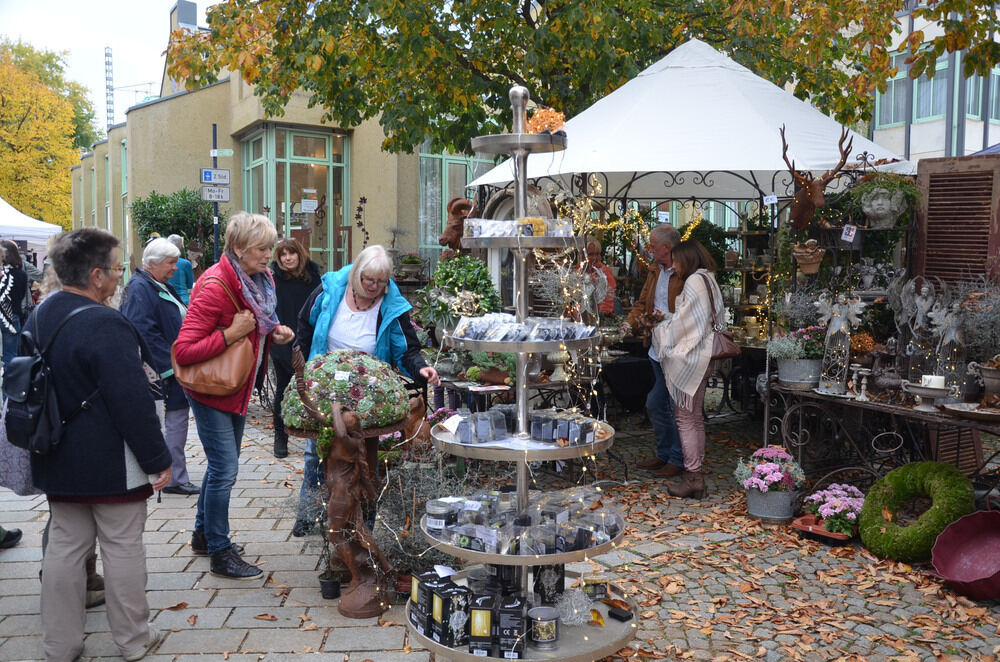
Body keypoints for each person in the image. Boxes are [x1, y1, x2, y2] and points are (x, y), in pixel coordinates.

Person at [31, 228, 172, 662]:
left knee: (64, 549)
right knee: (122, 547)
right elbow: (131, 403)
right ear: (95, 275)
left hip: (55, 453)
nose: (118, 278)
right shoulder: (106, 323)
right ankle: (133, 642)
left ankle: (61, 645)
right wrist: (158, 461)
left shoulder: (41, 314)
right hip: (112, 462)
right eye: (114, 269)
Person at [173, 212, 295, 580]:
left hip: (237, 386)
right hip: (213, 389)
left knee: (219, 466)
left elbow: (260, 319)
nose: (269, 254)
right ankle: (220, 552)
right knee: (225, 469)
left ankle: (202, 535)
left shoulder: (259, 278)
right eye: (262, 248)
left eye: (270, 247)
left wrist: (274, 330)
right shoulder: (214, 285)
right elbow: (183, 351)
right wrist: (232, 333)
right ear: (239, 249)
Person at [290, 244, 440, 537]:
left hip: (367, 394)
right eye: (369, 280)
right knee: (316, 453)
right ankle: (309, 512)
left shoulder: (391, 305)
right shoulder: (328, 291)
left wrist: (421, 368)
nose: (374, 287)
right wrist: (304, 368)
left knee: (363, 457)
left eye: (381, 282)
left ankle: (363, 522)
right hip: (326, 388)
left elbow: (407, 349)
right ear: (357, 274)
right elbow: (305, 326)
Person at [121, 238, 199, 496]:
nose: (176, 268)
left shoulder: (155, 284)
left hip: (172, 367)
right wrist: (170, 367)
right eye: (171, 263)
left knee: (177, 422)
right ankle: (174, 477)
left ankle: (174, 474)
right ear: (152, 264)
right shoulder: (141, 288)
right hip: (166, 371)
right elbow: (142, 331)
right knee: (175, 423)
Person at [652, 240, 724, 500]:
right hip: (705, 357)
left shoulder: (694, 281)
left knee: (685, 418)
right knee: (694, 418)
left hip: (693, 357)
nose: (674, 266)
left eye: (677, 260)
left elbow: (686, 324)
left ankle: (693, 476)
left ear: (687, 259)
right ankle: (696, 473)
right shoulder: (709, 279)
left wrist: (661, 330)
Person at [624, 224, 685, 477]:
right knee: (658, 403)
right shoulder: (654, 271)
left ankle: (677, 458)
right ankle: (665, 454)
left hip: (677, 349)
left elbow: (690, 312)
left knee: (669, 405)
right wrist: (629, 323)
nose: (649, 249)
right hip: (656, 348)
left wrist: (667, 317)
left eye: (652, 245)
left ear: (666, 248)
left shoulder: (685, 273)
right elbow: (642, 303)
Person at [270, 238, 321, 458]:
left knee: (311, 388)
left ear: (300, 254)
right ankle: (280, 438)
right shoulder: (273, 278)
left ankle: (315, 436)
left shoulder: (313, 276)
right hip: (282, 338)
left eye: (291, 253)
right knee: (283, 389)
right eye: (283, 255)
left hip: (308, 337)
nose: (287, 258)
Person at [0, 239, 28, 370]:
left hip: (8, 316)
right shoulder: (21, 274)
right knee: (10, 355)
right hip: (13, 316)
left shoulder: (4, 274)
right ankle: (9, 390)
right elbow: (21, 295)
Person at [585, 238, 617, 316]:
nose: (595, 258)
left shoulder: (605, 272)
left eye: (597, 254)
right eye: (591, 254)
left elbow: (608, 302)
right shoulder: (577, 271)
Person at [166, 234, 195, 305]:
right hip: (183, 301)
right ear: (181, 247)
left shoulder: (162, 262)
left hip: (167, 301)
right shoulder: (186, 264)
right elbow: (190, 285)